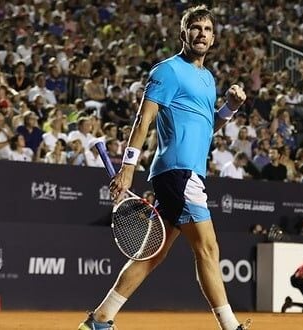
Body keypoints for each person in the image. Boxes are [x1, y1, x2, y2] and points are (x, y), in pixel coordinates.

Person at [78, 6, 250, 330]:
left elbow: (205, 126)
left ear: (213, 38)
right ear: (183, 33)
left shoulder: (209, 79)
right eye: (195, 27)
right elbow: (144, 118)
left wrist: (230, 108)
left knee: (152, 254)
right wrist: (128, 166)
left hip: (187, 173)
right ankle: (230, 327)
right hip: (177, 172)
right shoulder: (167, 71)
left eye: (207, 29)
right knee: (209, 248)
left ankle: (100, 320)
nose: (201, 33)